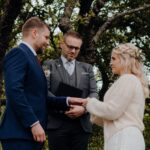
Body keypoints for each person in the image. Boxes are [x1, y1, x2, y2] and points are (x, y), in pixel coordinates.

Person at [0, 17, 77, 150]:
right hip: (19, 135)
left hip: (30, 137)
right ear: (35, 33)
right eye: (46, 37)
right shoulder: (18, 53)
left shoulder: (32, 59)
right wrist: (33, 123)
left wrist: (68, 101)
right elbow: (14, 91)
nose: (48, 43)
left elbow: (41, 97)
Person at [70, 43, 149, 150]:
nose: (110, 63)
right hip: (124, 137)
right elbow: (112, 117)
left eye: (114, 59)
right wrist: (87, 110)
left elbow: (112, 111)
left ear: (124, 60)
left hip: (124, 138)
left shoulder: (128, 80)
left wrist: (89, 103)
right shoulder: (131, 80)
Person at [43, 31, 98, 150]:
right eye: (70, 47)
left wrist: (84, 109)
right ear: (62, 44)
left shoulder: (87, 68)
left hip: (81, 125)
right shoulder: (48, 65)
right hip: (57, 124)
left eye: (77, 48)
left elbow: (94, 93)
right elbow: (44, 91)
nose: (73, 51)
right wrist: (64, 104)